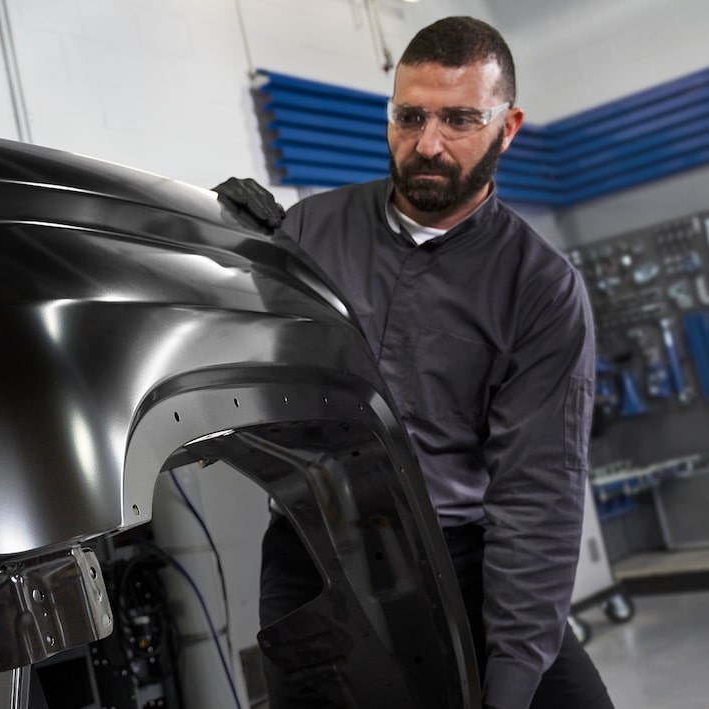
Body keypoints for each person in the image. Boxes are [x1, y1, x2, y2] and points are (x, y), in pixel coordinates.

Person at [216, 16, 611, 709]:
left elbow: (537, 494)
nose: (427, 144)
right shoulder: (308, 231)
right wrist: (232, 256)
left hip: (463, 562)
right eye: (409, 116)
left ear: (508, 126)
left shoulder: (540, 289)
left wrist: (512, 676)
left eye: (459, 119)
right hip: (314, 555)